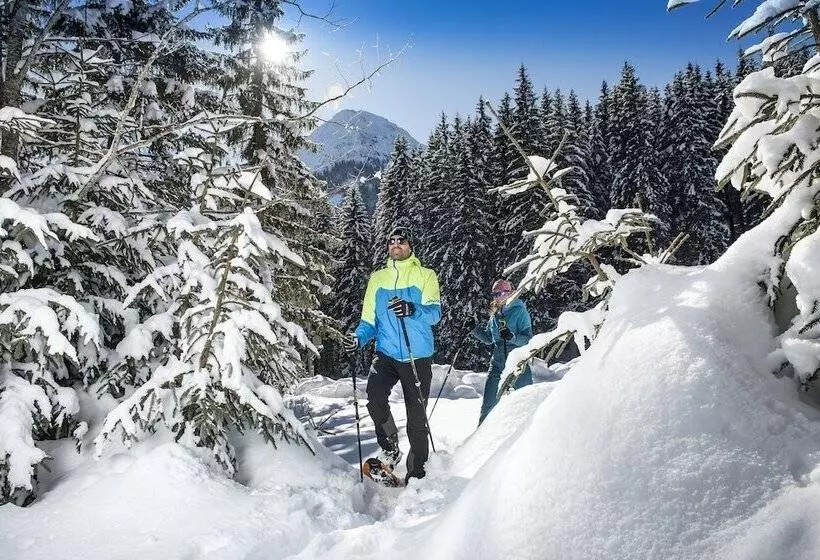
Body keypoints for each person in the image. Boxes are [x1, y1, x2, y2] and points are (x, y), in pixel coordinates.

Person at [344, 225, 441, 482]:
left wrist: (412, 309)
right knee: (375, 398)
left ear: (410, 246)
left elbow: (434, 314)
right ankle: (390, 451)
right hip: (386, 353)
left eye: (402, 240)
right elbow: (368, 322)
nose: (396, 244)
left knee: (416, 417)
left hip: (416, 355)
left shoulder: (426, 275)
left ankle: (417, 471)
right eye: (391, 241)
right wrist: (357, 339)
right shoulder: (377, 280)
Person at [471, 279, 533, 424]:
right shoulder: (495, 314)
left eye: (499, 294)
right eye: (494, 294)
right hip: (498, 362)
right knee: (489, 403)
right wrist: (473, 329)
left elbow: (528, 339)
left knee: (525, 400)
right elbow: (488, 338)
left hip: (517, 362)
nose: (496, 297)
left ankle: (529, 434)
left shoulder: (519, 311)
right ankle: (481, 437)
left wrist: (512, 337)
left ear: (509, 293)